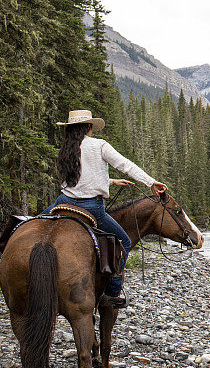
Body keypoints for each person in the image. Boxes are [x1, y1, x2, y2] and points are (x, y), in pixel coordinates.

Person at [44, 110, 167, 308]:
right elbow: (126, 165)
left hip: (64, 201)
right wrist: (151, 182)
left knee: (30, 224)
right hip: (91, 208)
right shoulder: (99, 145)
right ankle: (112, 292)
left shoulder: (68, 147)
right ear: (89, 127)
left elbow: (78, 180)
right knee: (124, 242)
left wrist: (110, 181)